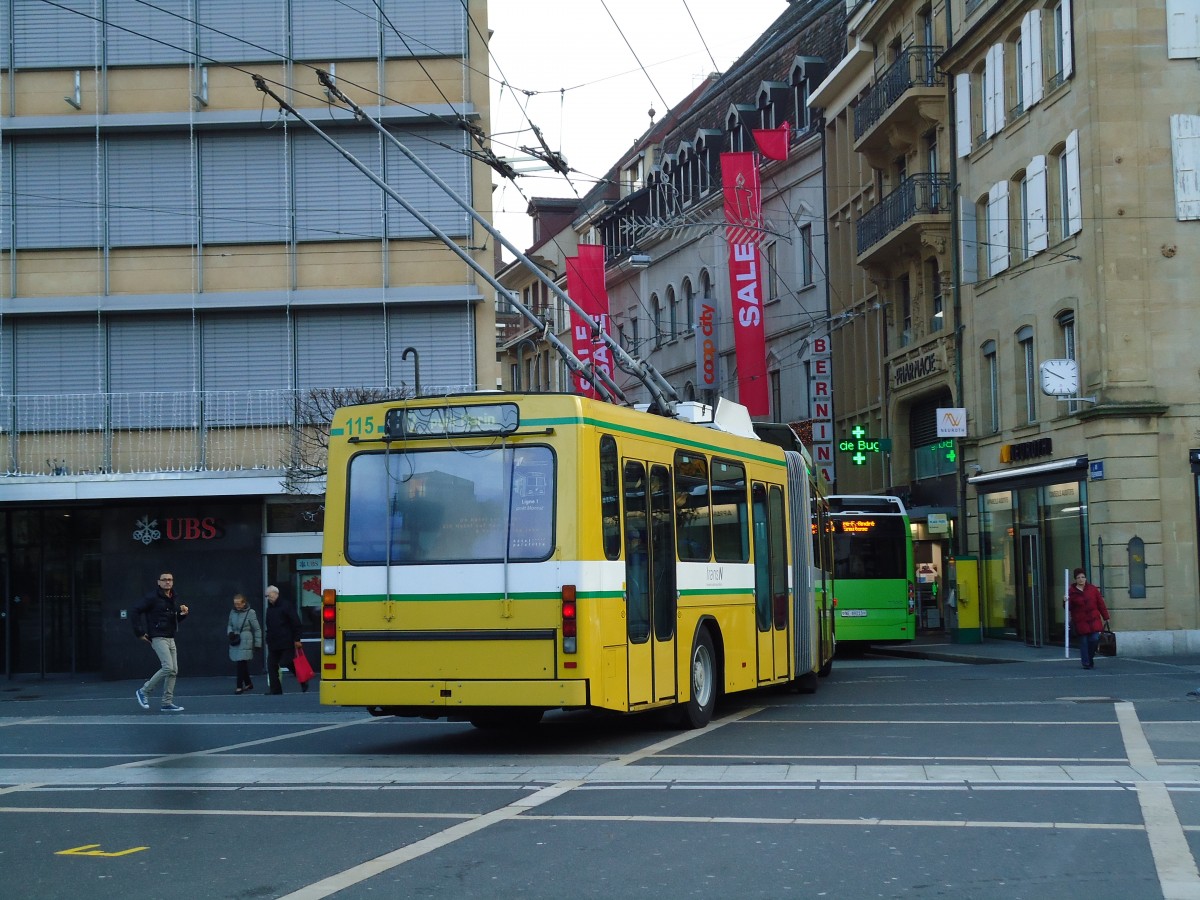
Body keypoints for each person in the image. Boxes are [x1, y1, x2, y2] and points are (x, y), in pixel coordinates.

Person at [132, 573, 189, 712]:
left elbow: (172, 619)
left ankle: (167, 703)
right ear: (159, 582)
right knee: (168, 667)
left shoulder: (173, 597)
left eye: (170, 580)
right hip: (158, 637)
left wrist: (182, 615)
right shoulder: (152, 597)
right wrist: (139, 632)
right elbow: (135, 610)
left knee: (173, 671)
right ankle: (143, 691)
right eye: (164, 580)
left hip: (170, 637)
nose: (167, 582)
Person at [264, 585, 304, 694]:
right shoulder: (270, 609)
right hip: (274, 642)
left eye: (269, 595)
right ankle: (275, 689)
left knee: (286, 662)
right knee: (271, 666)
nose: (268, 598)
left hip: (286, 641)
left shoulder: (286, 606)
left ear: (276, 594)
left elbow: (296, 623)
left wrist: (297, 639)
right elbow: (269, 625)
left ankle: (303, 680)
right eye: (266, 596)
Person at [1067, 567, 1110, 670]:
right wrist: (1065, 601)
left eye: (1083, 577)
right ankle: (1086, 663)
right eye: (1078, 577)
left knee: (1094, 639)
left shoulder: (1092, 589)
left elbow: (1100, 604)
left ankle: (1090, 658)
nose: (1081, 579)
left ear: (1086, 578)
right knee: (1084, 643)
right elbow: (1068, 608)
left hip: (1094, 620)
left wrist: (1106, 617)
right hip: (1080, 621)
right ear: (1075, 579)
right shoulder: (1071, 591)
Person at [227, 593, 262, 694]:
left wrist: (257, 644)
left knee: (240, 662)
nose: (237, 606)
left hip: (246, 639)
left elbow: (257, 629)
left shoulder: (251, 613)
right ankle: (248, 683)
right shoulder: (232, 612)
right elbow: (229, 624)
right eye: (235, 604)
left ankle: (239, 686)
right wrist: (230, 632)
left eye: (238, 604)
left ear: (244, 603)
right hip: (236, 638)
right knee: (242, 663)